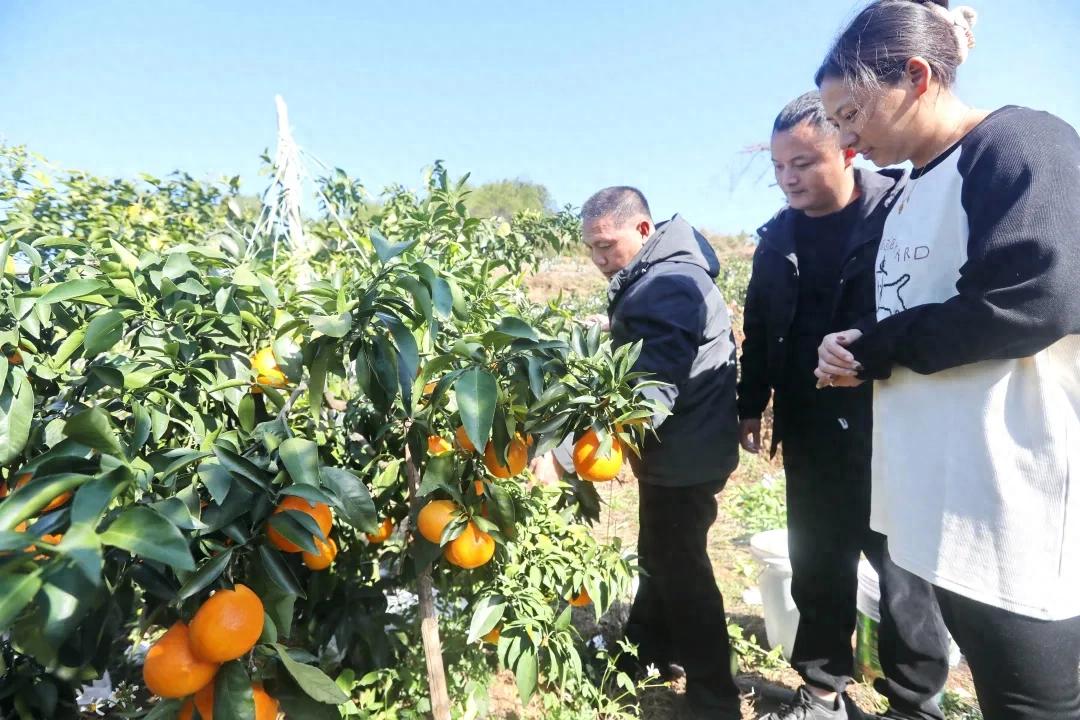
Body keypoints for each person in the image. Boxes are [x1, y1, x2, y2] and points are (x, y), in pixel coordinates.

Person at [812, 2, 1080, 718]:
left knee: (1032, 703)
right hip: (942, 505)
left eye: (850, 112)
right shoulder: (909, 189)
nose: (844, 136)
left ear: (918, 77)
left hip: (1012, 502)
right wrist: (855, 343)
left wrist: (878, 348)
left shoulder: (1019, 143)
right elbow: (918, 308)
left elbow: (1037, 296)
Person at [739, 91, 950, 720]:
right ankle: (823, 692)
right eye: (779, 167)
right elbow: (759, 323)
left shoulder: (901, 213)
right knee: (818, 563)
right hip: (808, 429)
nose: (788, 178)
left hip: (889, 425)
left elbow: (932, 306)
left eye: (802, 162)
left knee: (904, 576)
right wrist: (752, 405)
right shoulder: (777, 239)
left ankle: (914, 705)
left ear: (848, 149)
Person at [530, 187, 743, 718]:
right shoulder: (662, 273)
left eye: (607, 245)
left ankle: (715, 698)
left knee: (683, 570)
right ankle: (647, 655)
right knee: (662, 556)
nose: (600, 259)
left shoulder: (667, 285)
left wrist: (560, 454)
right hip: (685, 449)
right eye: (591, 249)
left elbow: (650, 390)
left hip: (683, 455)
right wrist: (615, 328)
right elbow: (663, 340)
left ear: (643, 231)